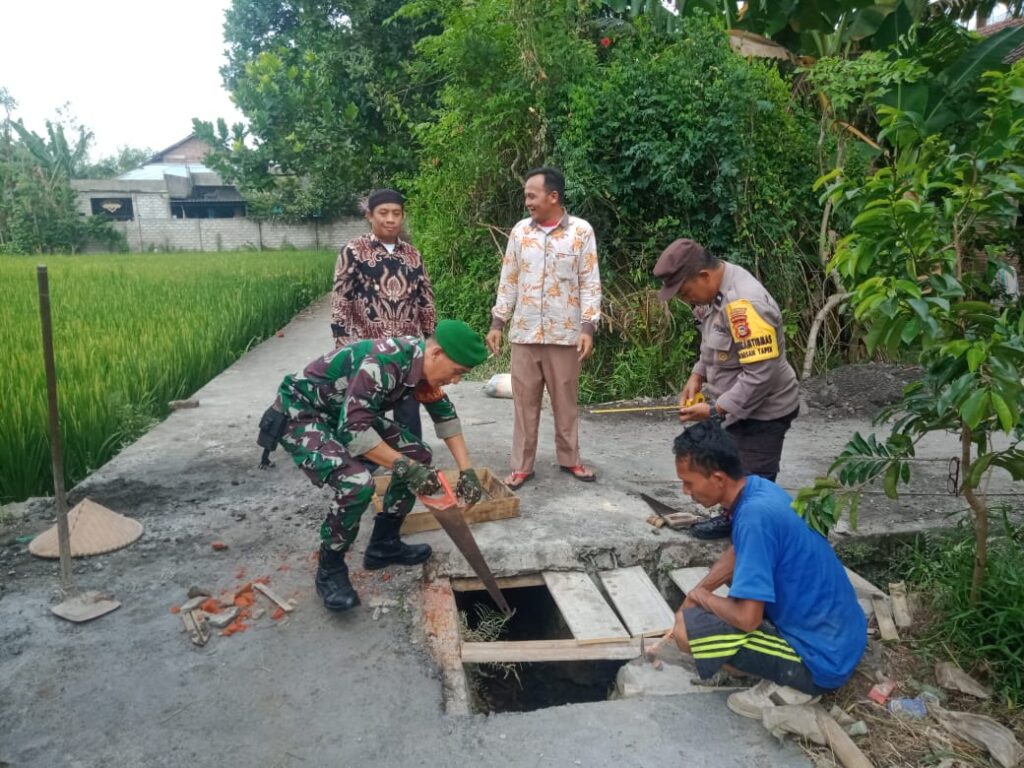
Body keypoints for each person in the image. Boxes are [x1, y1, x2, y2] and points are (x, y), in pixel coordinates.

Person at [269, 320, 488, 612]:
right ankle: (330, 568)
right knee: (356, 482)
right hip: (303, 412)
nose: (457, 380)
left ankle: (383, 545)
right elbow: (354, 433)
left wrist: (467, 470)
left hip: (344, 413)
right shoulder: (384, 363)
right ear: (436, 354)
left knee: (418, 454)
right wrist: (405, 467)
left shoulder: (422, 367)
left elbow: (445, 416)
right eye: (458, 372)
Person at [669, 421, 866, 718]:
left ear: (718, 478)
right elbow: (737, 554)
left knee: (686, 632)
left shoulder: (753, 518)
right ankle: (758, 662)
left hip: (821, 660)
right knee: (701, 613)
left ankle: (795, 686)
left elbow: (748, 619)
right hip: (840, 637)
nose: (686, 492)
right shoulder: (759, 491)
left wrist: (701, 598)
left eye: (689, 482)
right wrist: (702, 590)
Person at [654, 238, 800, 539]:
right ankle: (732, 517)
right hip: (738, 405)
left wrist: (715, 409)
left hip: (766, 410)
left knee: (753, 477)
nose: (686, 301)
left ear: (704, 276)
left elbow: (761, 375)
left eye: (685, 292)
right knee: (731, 465)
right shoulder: (711, 296)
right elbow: (713, 343)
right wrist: (697, 375)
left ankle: (753, 534)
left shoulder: (745, 304)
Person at [485, 166, 602, 489]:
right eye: (526, 196)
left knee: (566, 401)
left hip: (565, 335)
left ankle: (570, 459)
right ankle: (522, 466)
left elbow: (590, 282)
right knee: (524, 403)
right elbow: (509, 279)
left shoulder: (581, 232)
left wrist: (588, 326)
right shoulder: (520, 232)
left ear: (553, 196)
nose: (527, 202)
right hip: (524, 333)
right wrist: (498, 322)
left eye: (532, 195)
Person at [330, 188, 436, 439]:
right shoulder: (354, 251)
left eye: (396, 213)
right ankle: (369, 461)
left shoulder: (413, 255)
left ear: (402, 216)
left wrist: (431, 339)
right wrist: (343, 346)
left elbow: (426, 299)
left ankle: (411, 457)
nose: (390, 219)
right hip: (367, 348)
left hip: (407, 349)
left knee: (408, 407)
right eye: (383, 213)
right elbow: (340, 299)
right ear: (370, 216)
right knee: (366, 409)